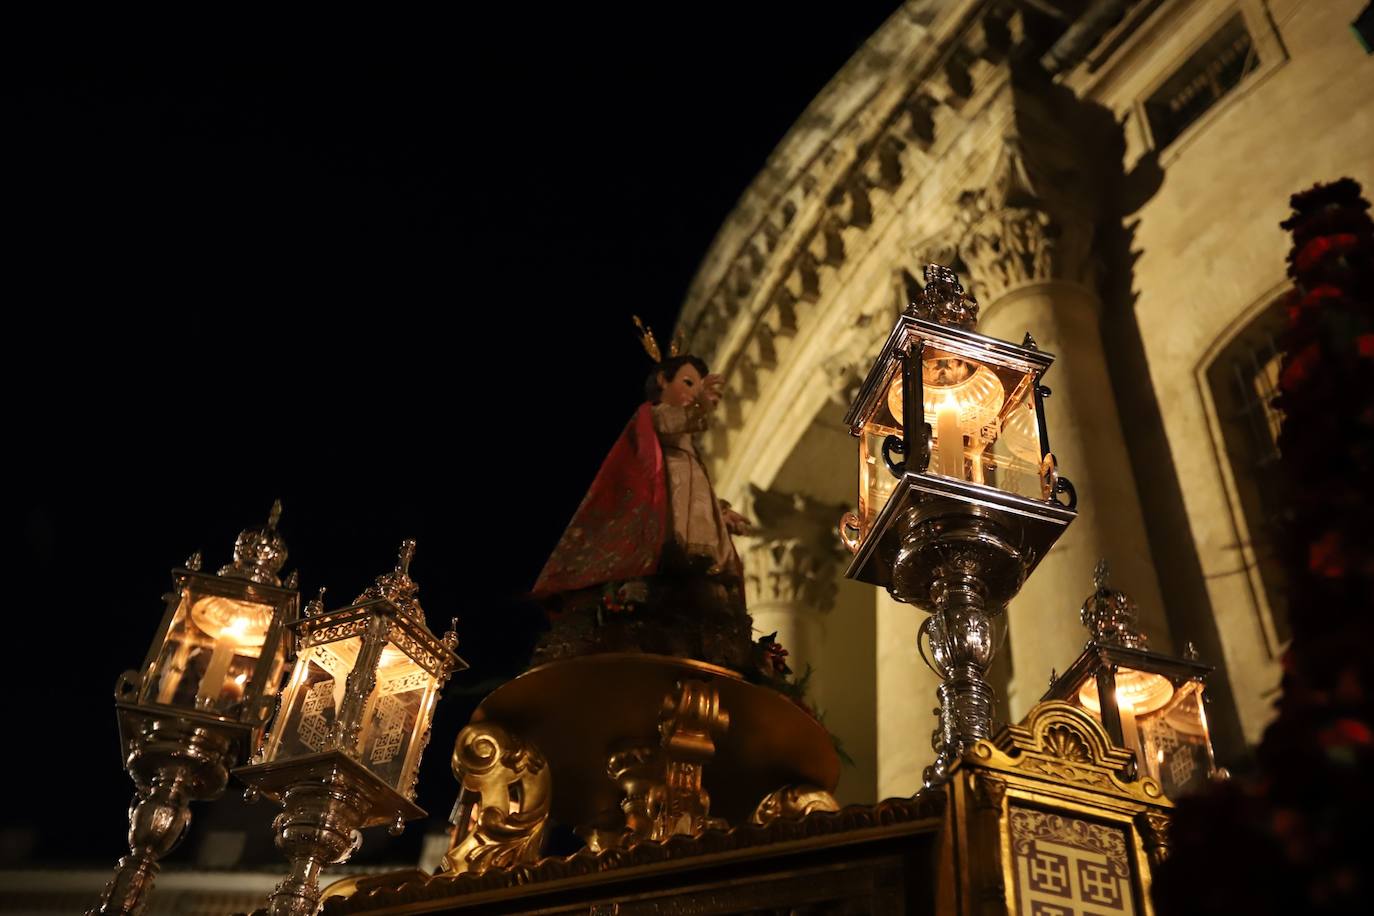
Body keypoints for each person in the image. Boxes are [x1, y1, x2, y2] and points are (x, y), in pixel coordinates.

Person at [532, 327, 748, 610]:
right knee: (676, 545)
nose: (695, 393)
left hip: (694, 512)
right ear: (662, 381)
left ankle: (701, 578)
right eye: (688, 383)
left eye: (698, 385)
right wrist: (702, 405)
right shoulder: (654, 416)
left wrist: (721, 513)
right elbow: (674, 423)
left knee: (700, 552)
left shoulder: (690, 456)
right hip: (668, 513)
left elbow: (701, 495)